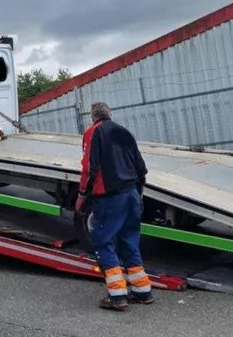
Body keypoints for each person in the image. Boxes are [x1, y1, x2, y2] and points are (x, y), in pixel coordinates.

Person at [75, 102, 152, 311]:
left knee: (103, 240)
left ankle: (117, 296)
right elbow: (141, 167)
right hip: (132, 193)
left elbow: (88, 167)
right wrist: (139, 193)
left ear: (93, 117)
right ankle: (142, 291)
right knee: (130, 239)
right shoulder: (123, 132)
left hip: (110, 196)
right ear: (110, 113)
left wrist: (82, 196)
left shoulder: (93, 132)